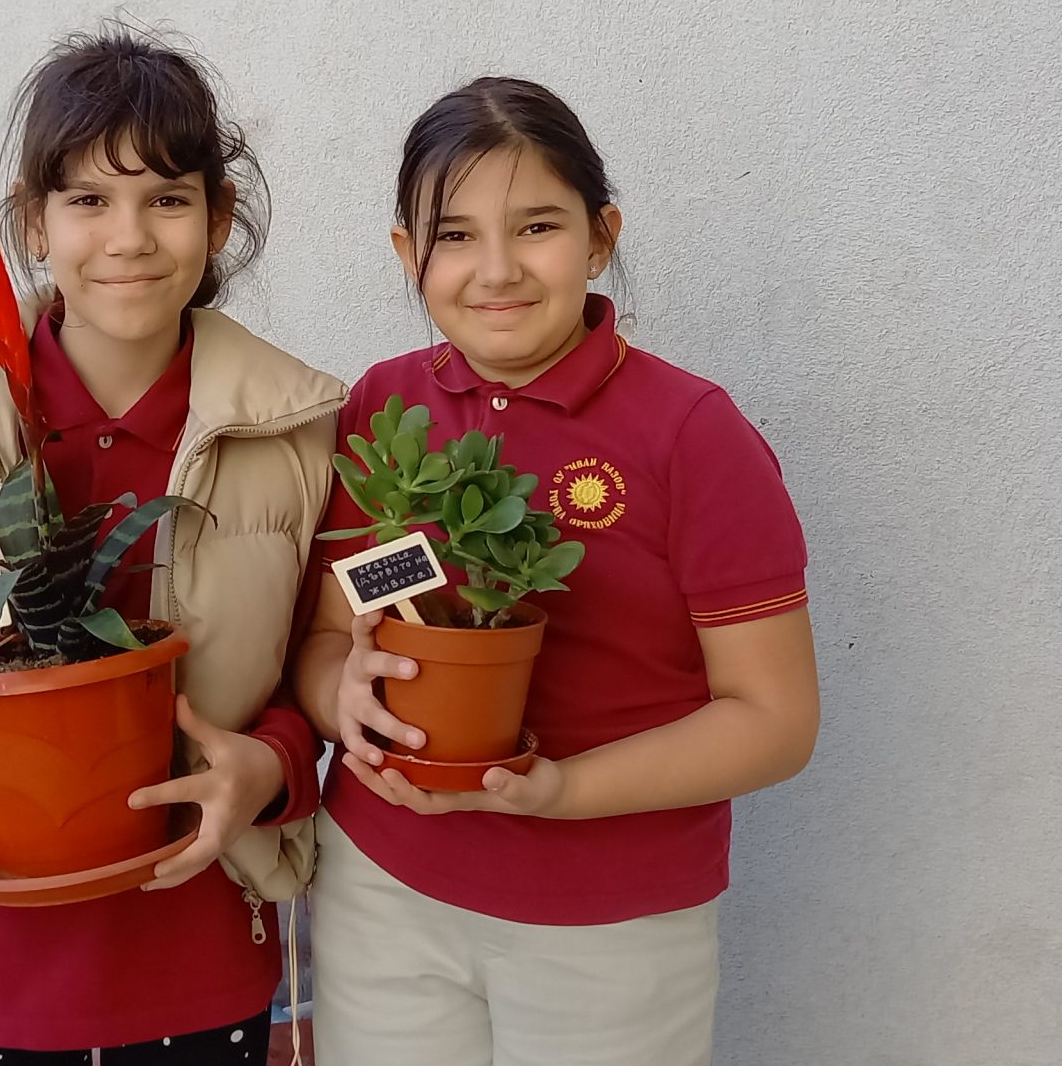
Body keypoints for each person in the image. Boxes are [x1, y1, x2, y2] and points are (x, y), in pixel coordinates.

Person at [0, 28, 344, 1064]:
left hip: (195, 954)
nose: (128, 237)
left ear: (218, 218)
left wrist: (268, 768)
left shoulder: (292, 430)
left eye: (167, 199)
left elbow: (321, 659)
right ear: (32, 223)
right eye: (87, 199)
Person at [293, 77, 822, 1066]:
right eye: (454, 236)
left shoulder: (693, 434)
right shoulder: (382, 406)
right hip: (383, 888)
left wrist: (563, 790)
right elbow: (327, 637)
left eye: (536, 225)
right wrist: (341, 699)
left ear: (600, 237)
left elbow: (774, 720)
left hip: (609, 925)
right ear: (408, 255)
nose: (497, 269)